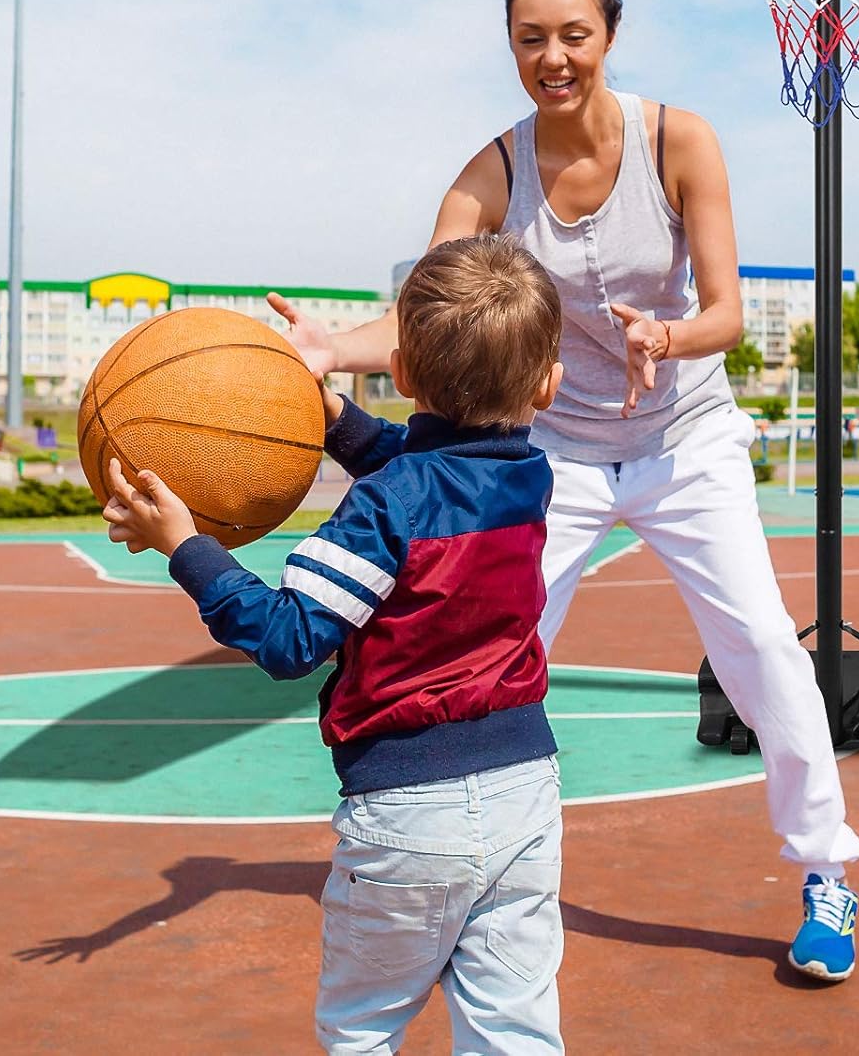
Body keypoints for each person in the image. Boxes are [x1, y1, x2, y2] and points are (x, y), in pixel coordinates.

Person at [275, 0, 859, 982]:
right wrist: (331, 349)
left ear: (611, 34)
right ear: (510, 45)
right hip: (554, 456)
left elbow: (726, 311)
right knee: (491, 655)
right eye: (530, 39)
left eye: (574, 36)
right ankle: (470, 865)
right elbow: (429, 323)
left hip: (685, 437)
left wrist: (667, 336)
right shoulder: (488, 176)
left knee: (765, 648)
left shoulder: (680, 140)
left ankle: (825, 870)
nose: (554, 57)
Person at [104, 234, 568, 1053]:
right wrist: (332, 423)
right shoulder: (528, 476)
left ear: (403, 374)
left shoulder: (386, 508)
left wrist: (187, 545)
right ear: (549, 384)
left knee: (364, 1027)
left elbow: (289, 636)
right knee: (514, 1029)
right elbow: (437, 466)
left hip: (408, 812)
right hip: (526, 793)